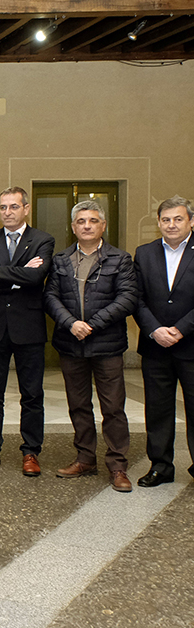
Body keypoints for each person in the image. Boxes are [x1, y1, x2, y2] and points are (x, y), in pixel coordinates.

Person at [44, 200, 137, 493]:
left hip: (107, 345)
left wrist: (92, 324)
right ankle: (85, 458)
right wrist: (71, 323)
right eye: (81, 221)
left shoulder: (120, 259)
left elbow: (127, 298)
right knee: (79, 406)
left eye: (93, 221)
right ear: (73, 227)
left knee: (113, 408)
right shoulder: (60, 260)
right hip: (71, 345)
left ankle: (118, 465)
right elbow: (50, 296)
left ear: (103, 225)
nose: (87, 226)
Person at [0, 186, 55, 477]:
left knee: (32, 394)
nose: (8, 212)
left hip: (28, 328)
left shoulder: (42, 239)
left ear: (26, 208)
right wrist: (19, 276)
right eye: (3, 207)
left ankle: (31, 452)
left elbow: (37, 277)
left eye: (14, 207)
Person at [132, 195, 194, 487]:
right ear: (158, 223)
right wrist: (155, 330)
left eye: (178, 219)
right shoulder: (144, 253)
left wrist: (181, 329)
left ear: (191, 221)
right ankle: (161, 466)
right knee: (157, 409)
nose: (171, 225)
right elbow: (136, 299)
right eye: (166, 219)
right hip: (155, 346)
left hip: (191, 345)